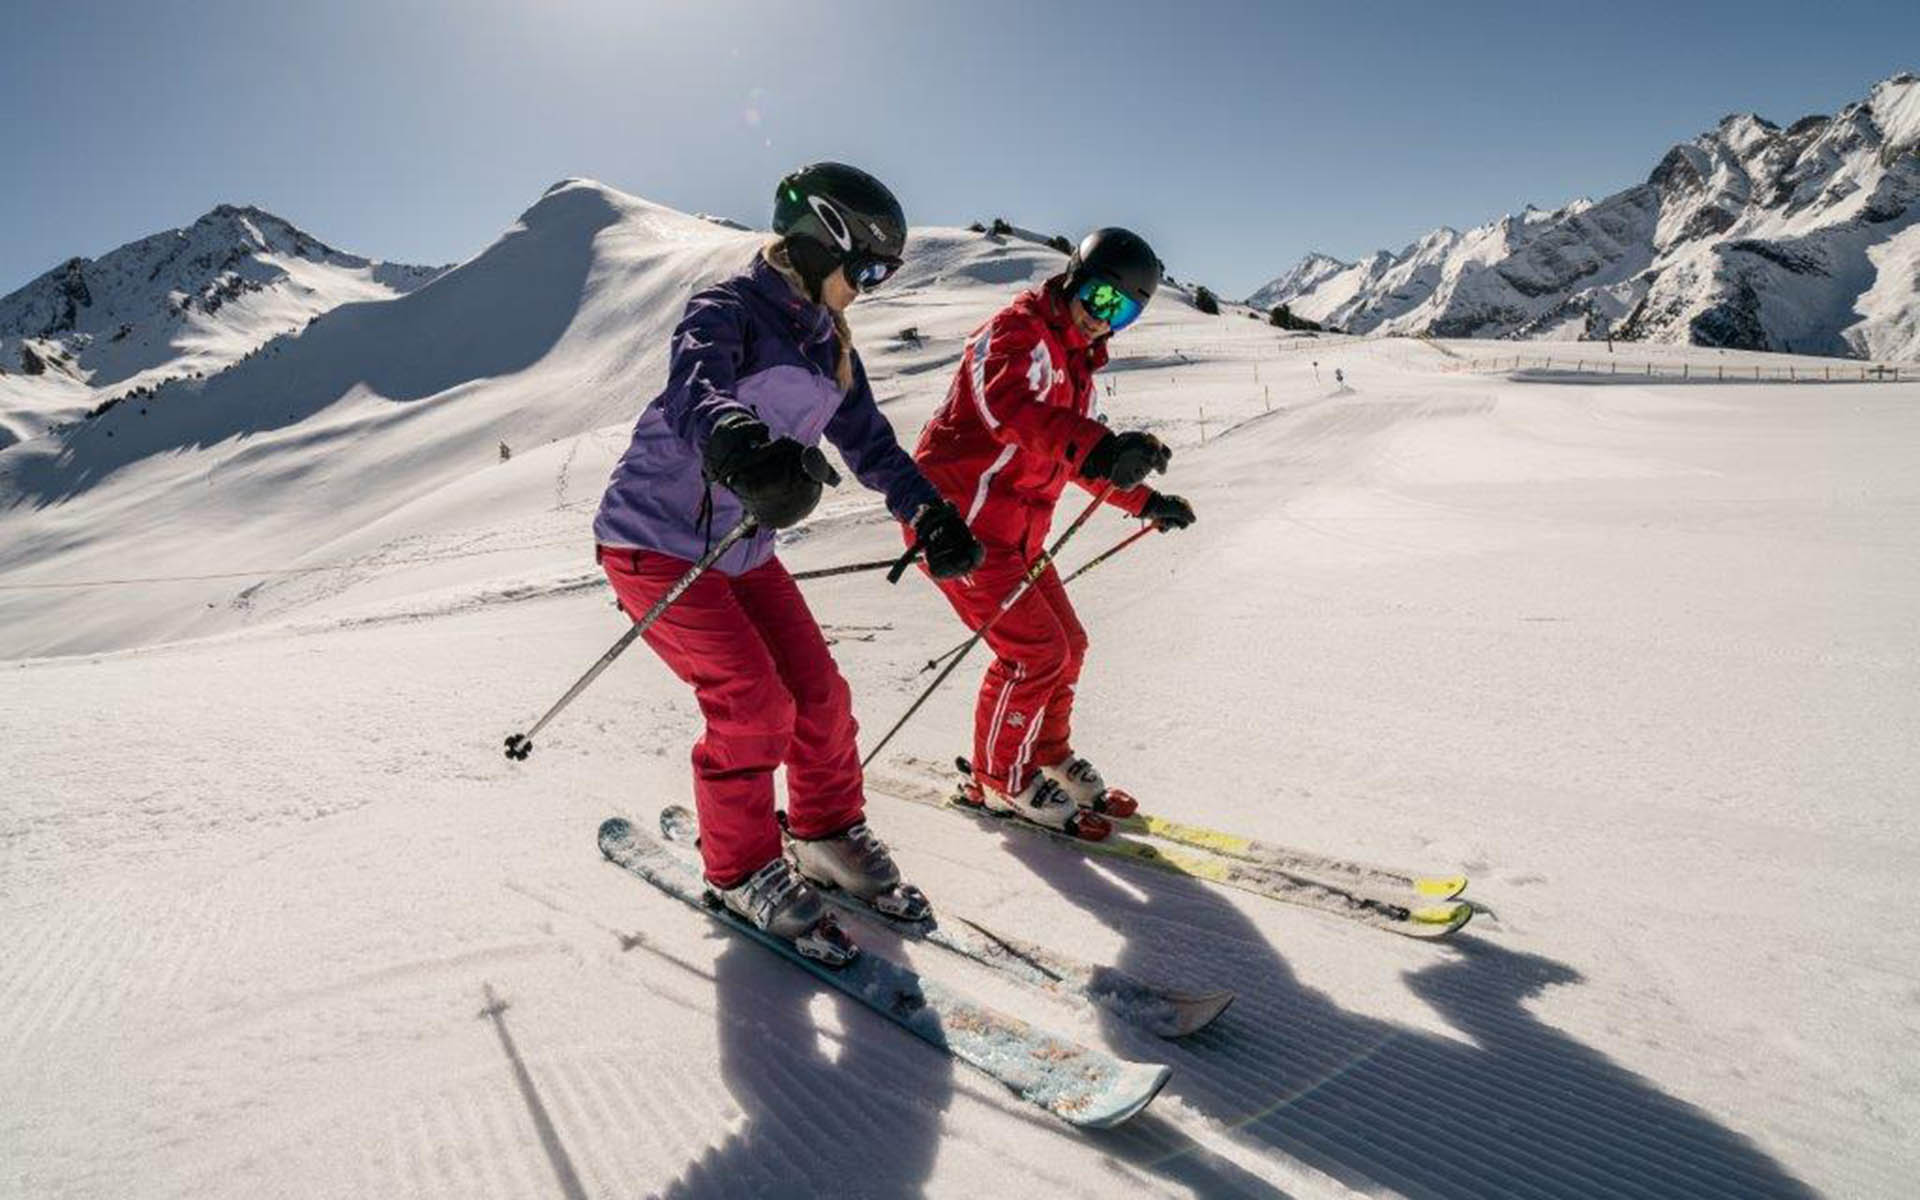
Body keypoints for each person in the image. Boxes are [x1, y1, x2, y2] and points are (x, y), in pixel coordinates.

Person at [594, 162, 984, 961]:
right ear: (821, 244)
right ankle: (737, 869)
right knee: (752, 704)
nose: (871, 287)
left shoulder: (830, 344)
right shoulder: (728, 310)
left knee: (820, 697)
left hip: (742, 549)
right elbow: (695, 389)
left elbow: (872, 447)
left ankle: (825, 833)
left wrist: (929, 513)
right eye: (869, 268)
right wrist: (739, 444)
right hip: (652, 542)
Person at [909, 227, 1195, 833]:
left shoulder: (1075, 365)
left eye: (1125, 310)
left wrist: (1145, 500)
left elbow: (1074, 455)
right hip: (959, 531)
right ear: (1072, 278)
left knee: (1070, 647)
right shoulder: (1017, 333)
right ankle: (996, 779)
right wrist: (1097, 448)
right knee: (1032, 654)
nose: (1104, 318)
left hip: (1016, 537)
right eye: (1099, 298)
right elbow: (1008, 411)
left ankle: (1047, 754)